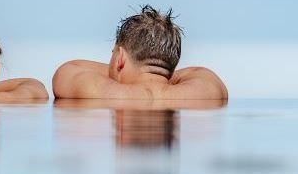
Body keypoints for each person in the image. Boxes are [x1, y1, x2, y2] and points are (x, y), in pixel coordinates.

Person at [51, 6, 228, 102]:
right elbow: (199, 72)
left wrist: (120, 69)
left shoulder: (104, 93)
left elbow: (69, 70)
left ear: (120, 58)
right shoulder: (204, 91)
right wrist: (158, 68)